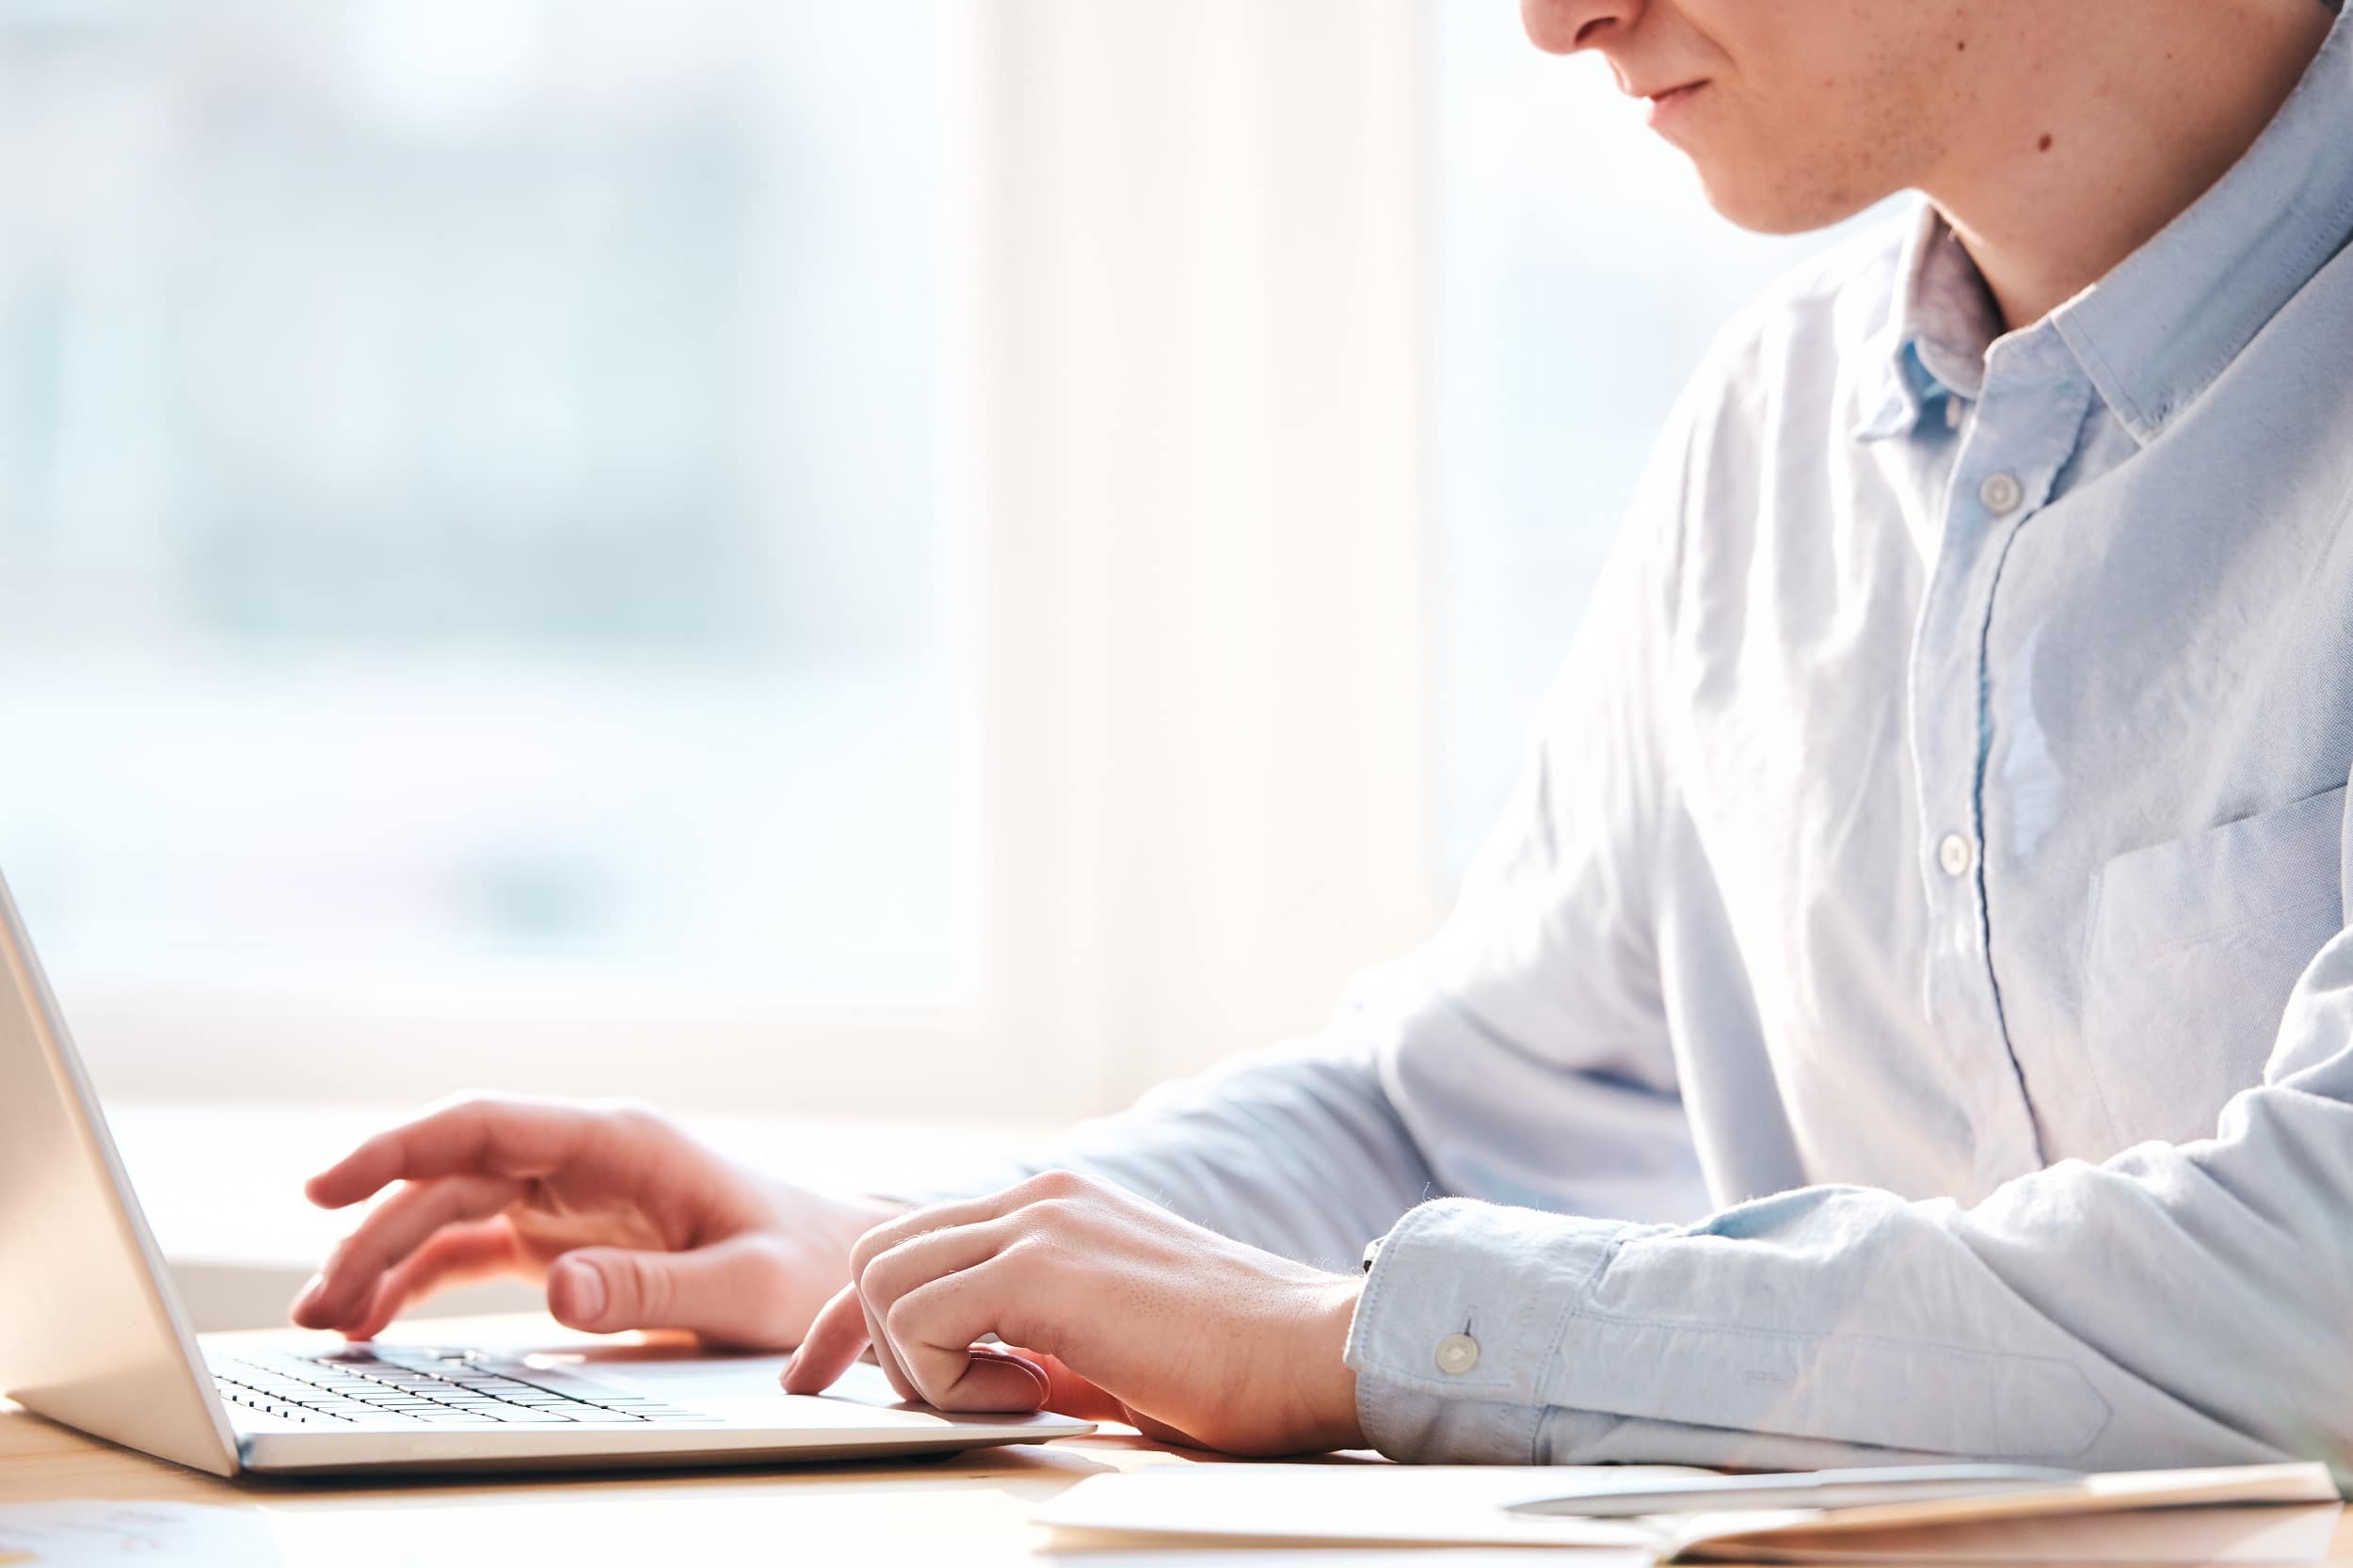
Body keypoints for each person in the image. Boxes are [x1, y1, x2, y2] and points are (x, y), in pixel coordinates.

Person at [291, 0, 2353, 1470]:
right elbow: (1447, 1110)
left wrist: (1367, 1340)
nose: (1554, 22)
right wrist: (919, 1252)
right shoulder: (1771, 441)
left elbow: (2311, 1288)